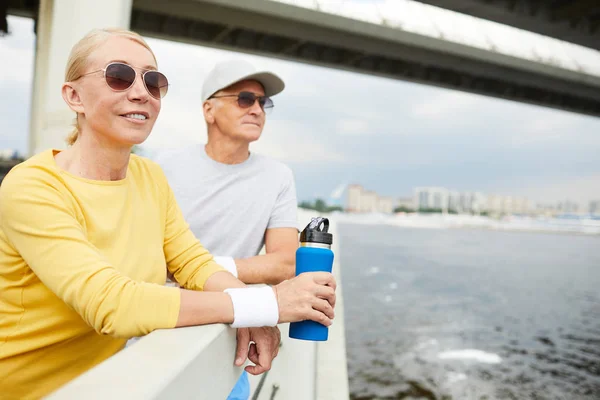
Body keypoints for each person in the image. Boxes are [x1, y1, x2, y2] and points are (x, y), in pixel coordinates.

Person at [0, 28, 336, 400]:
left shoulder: (150, 176)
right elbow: (111, 304)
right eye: (118, 76)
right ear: (74, 96)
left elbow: (192, 263)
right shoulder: (32, 187)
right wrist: (267, 303)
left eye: (153, 80)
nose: (141, 91)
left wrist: (252, 312)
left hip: (111, 382)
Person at [149, 60, 299, 400]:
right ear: (209, 110)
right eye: (245, 99)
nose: (257, 109)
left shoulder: (278, 176)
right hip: (163, 323)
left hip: (230, 329)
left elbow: (287, 262)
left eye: (264, 103)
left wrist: (205, 269)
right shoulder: (163, 167)